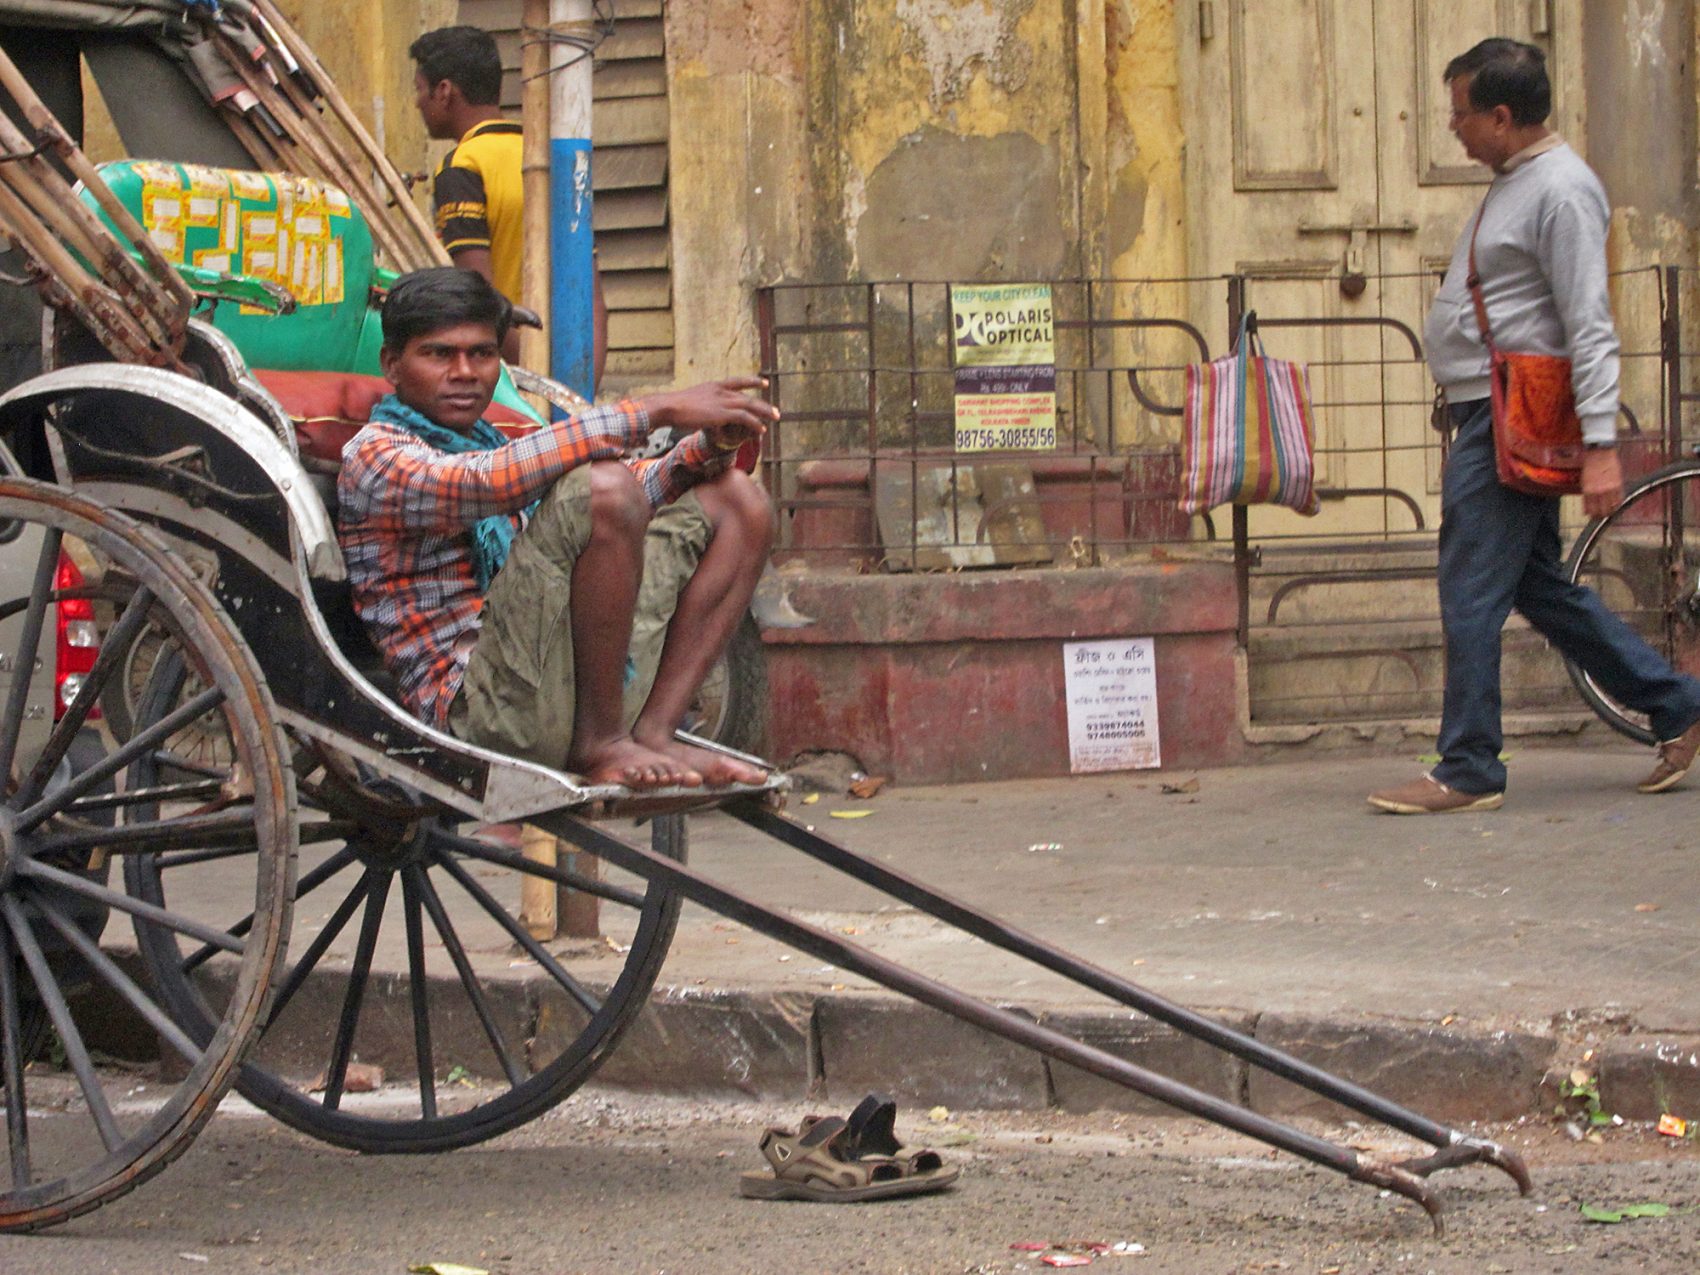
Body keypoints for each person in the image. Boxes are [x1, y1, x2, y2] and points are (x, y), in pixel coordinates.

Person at [1368, 38, 1700, 815]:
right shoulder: (1519, 181)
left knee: (1471, 588)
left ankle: (1470, 763)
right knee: (1539, 589)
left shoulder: (1561, 190)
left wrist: (1602, 447)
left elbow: (1588, 322)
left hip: (1507, 417)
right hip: (1490, 408)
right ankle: (1677, 702)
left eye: (1461, 114)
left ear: (1503, 116)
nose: (1452, 128)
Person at [338, 267, 774, 790]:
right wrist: (657, 408)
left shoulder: (491, 439)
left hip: (553, 685)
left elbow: (632, 495)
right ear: (392, 365)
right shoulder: (376, 457)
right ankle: (602, 743)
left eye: (481, 354)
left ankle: (655, 730)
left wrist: (708, 446)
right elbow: (489, 484)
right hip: (479, 716)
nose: (465, 372)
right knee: (603, 490)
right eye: (438, 354)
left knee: (737, 499)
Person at [409, 25, 606, 373]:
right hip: (569, 372)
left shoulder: (462, 167)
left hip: (512, 378)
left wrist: (534, 374)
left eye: (419, 89)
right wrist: (580, 379)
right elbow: (590, 289)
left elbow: (481, 299)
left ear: (444, 91)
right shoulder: (551, 159)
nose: (417, 102)